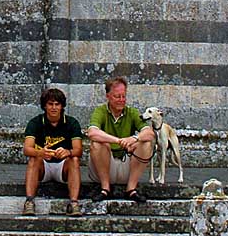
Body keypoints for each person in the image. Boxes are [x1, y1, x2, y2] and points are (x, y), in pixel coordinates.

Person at [87, 76, 156, 203]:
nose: (121, 100)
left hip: (127, 165)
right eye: (117, 96)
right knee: (97, 143)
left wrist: (134, 138)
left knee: (146, 143)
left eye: (123, 96)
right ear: (108, 96)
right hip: (105, 165)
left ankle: (131, 189)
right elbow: (92, 132)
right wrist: (118, 141)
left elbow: (150, 133)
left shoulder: (132, 112)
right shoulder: (100, 111)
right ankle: (105, 188)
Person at [22, 87, 83, 216]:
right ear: (45, 106)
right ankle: (29, 202)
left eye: (57, 104)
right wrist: (40, 153)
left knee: (74, 160)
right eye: (50, 104)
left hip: (63, 165)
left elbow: (78, 150)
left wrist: (68, 152)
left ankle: (74, 203)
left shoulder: (72, 123)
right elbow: (27, 149)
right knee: (33, 158)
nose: (54, 108)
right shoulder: (35, 122)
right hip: (43, 164)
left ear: (62, 106)